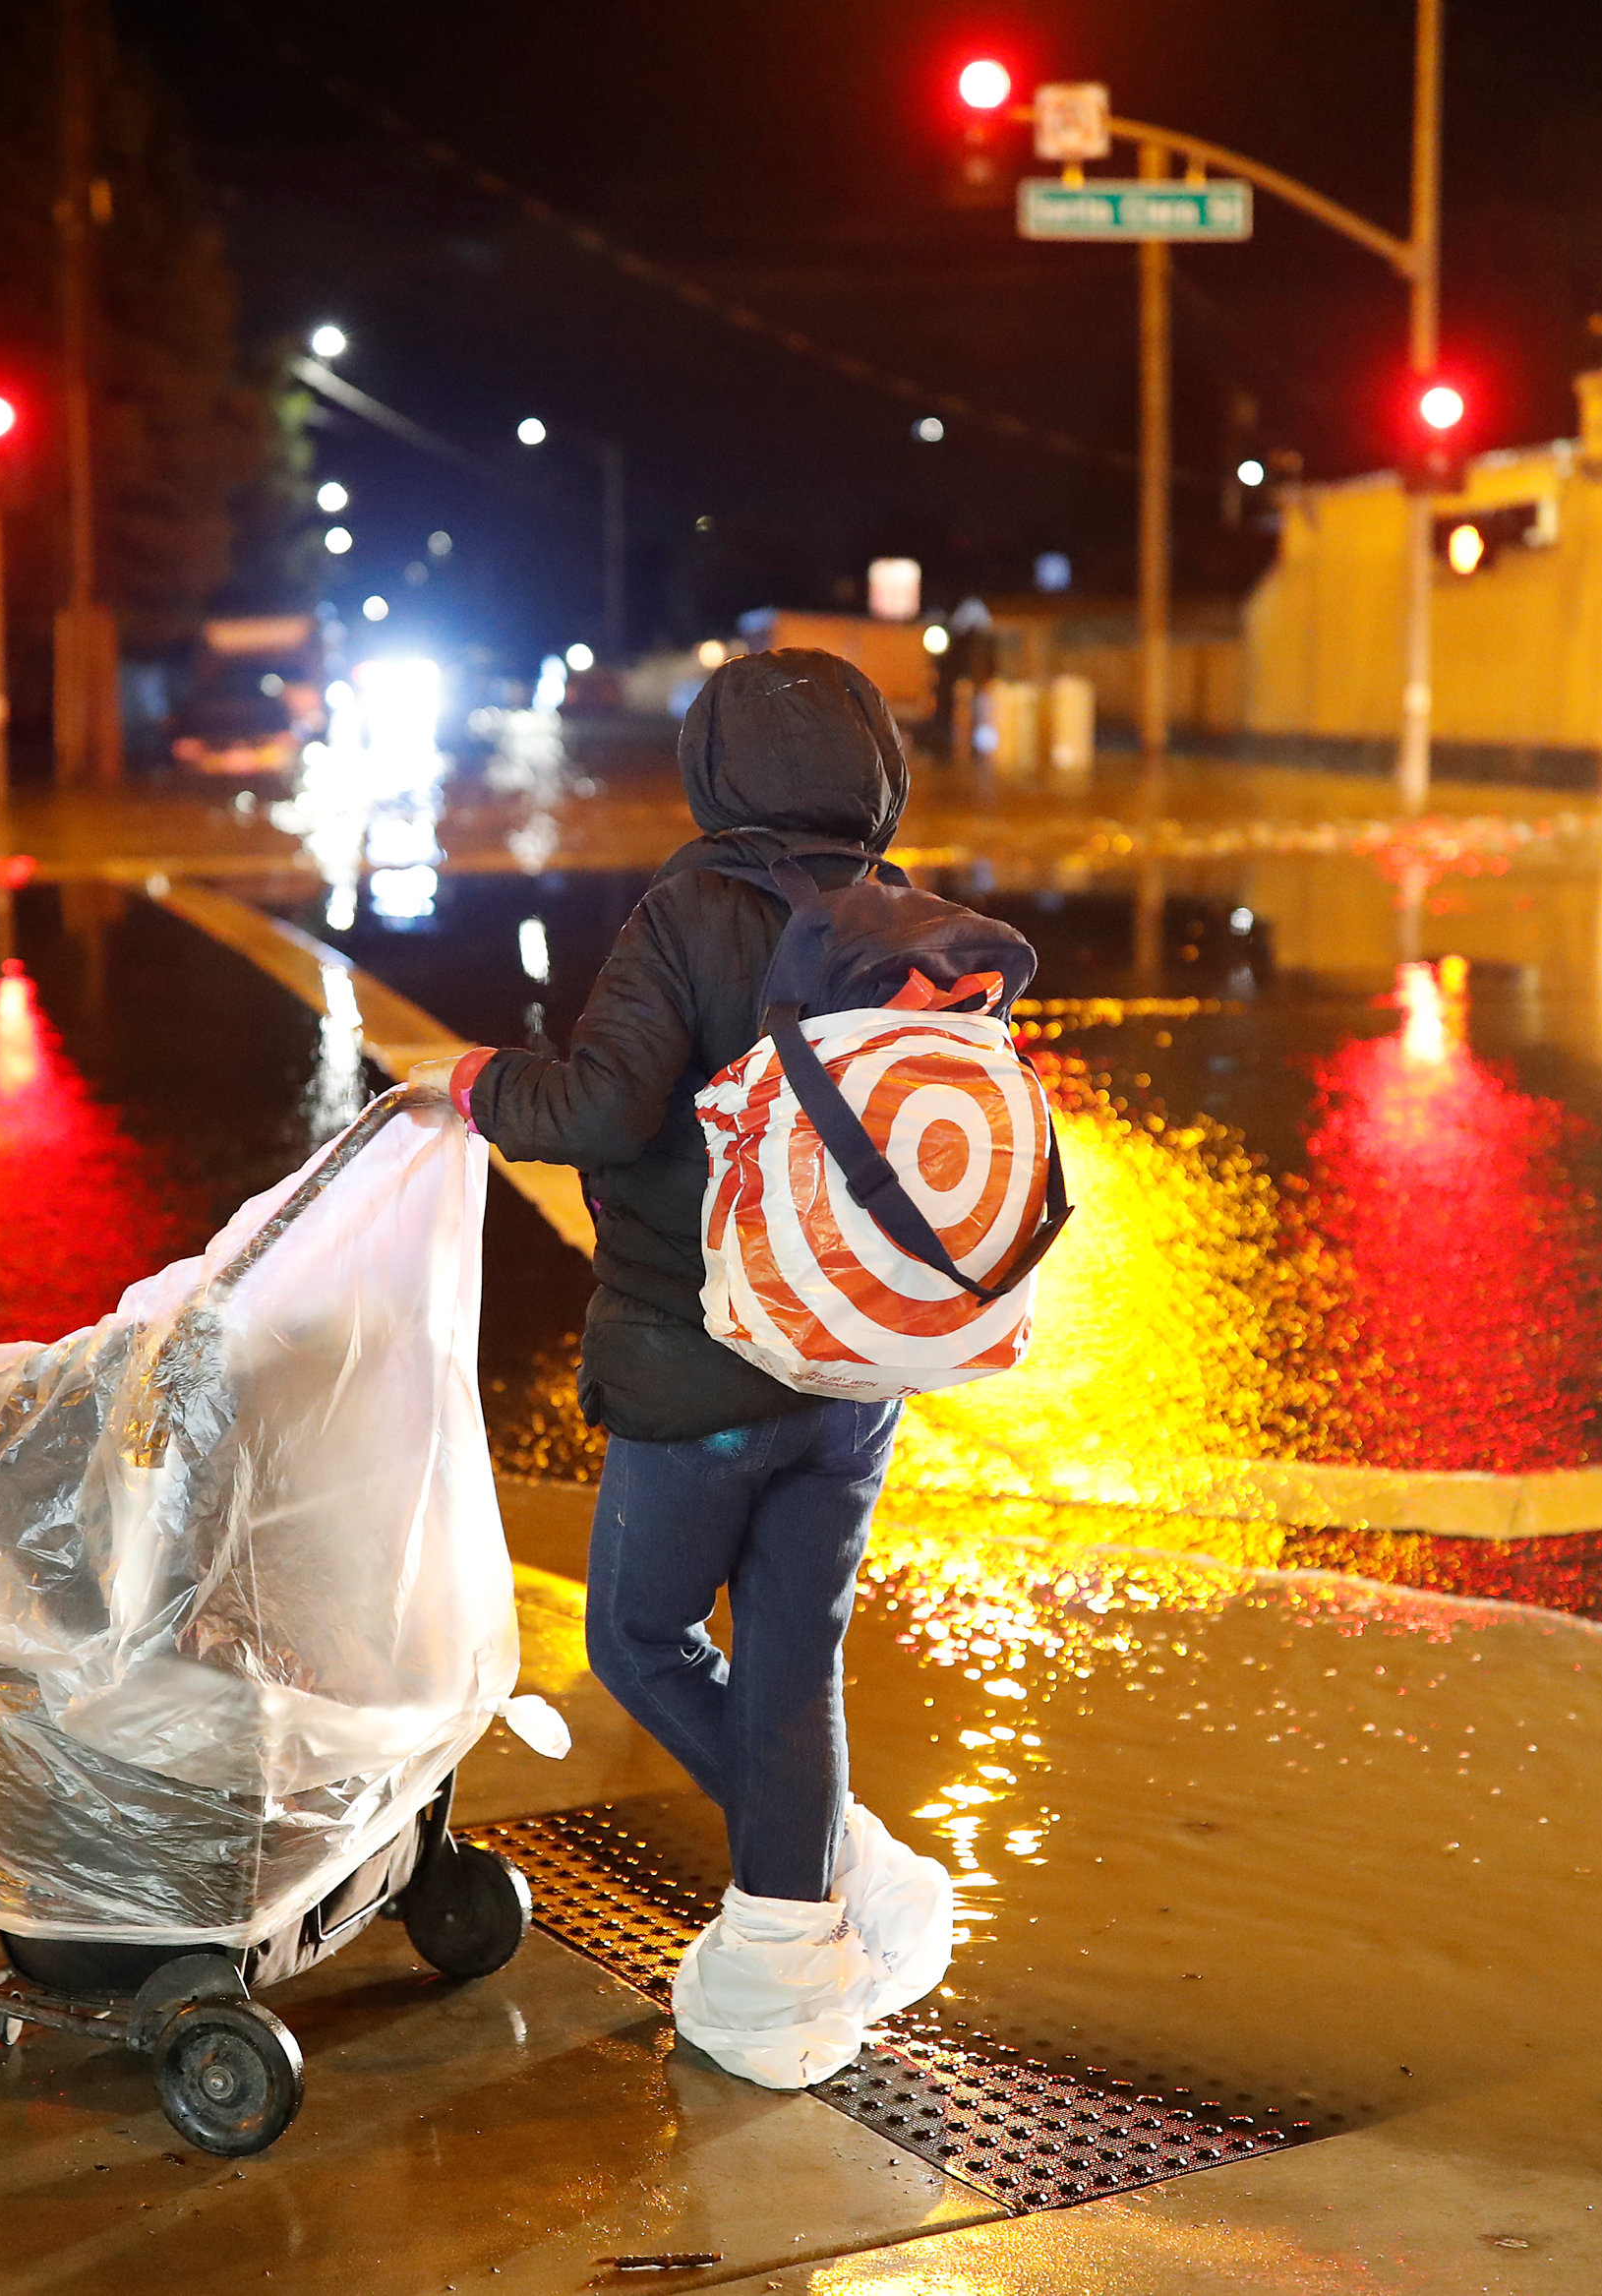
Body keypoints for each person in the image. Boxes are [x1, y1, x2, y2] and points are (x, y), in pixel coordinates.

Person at [406, 648, 956, 2087]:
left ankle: (834, 1876)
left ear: (717, 773)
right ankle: (795, 1960)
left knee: (641, 1640)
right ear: (871, 772)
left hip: (704, 1367)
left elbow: (597, 1105)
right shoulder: (907, 923)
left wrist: (471, 1085)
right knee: (793, 1655)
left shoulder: (686, 914)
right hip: (853, 1371)